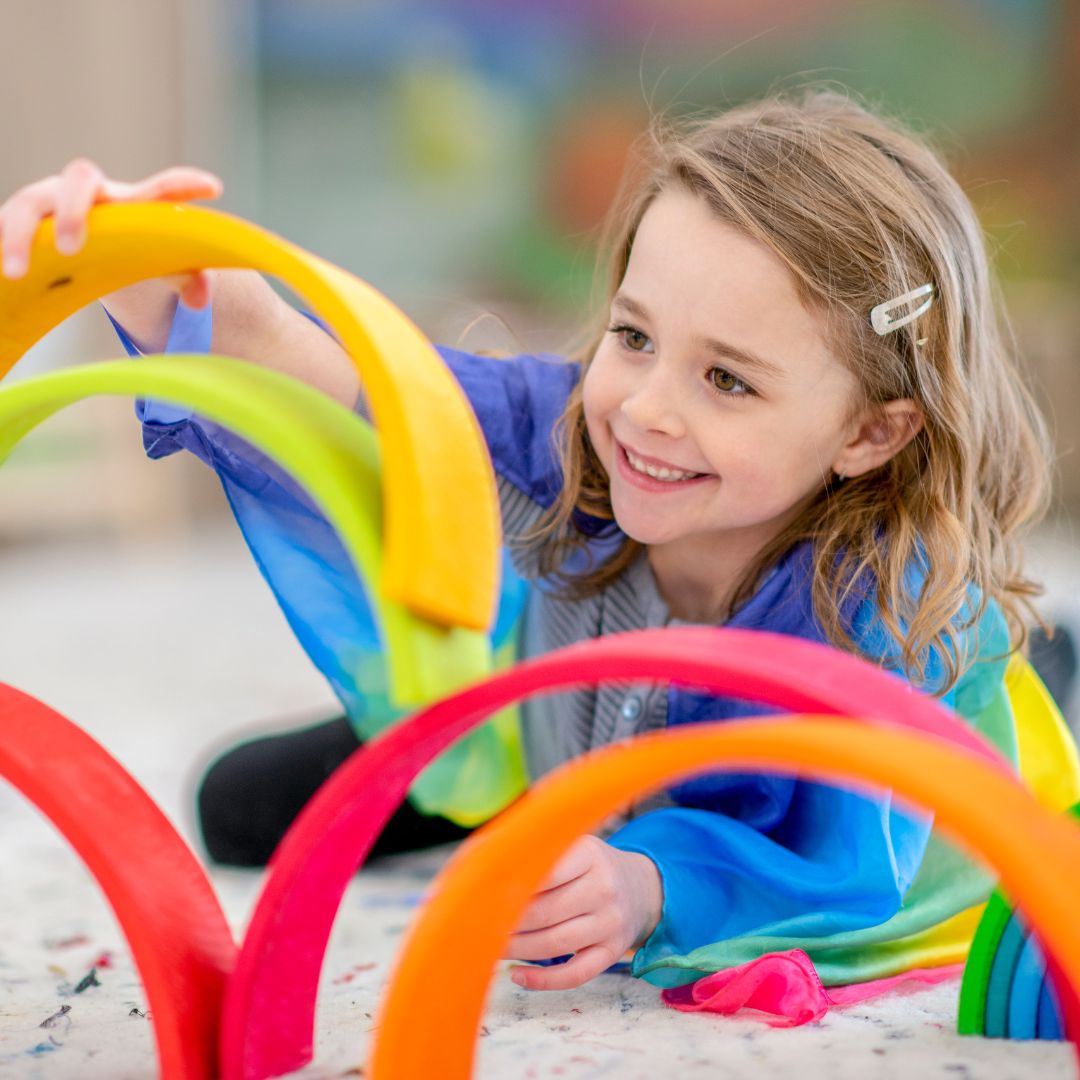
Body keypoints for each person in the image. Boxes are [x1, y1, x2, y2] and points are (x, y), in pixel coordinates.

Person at [0, 89, 1058, 997]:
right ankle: (521, 795)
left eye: (726, 379)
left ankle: (1046, 649)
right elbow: (340, 385)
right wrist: (150, 276)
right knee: (240, 806)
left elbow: (836, 860)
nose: (644, 409)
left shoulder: (881, 605)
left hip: (775, 819)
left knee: (1032, 671)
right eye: (635, 337)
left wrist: (645, 886)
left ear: (870, 432)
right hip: (555, 735)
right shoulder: (573, 431)